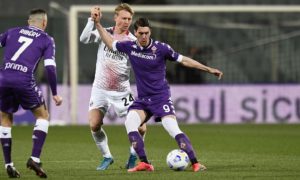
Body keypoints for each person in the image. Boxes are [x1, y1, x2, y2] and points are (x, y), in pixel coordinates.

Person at [93, 7, 223, 172]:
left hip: (161, 98)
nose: (145, 36)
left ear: (150, 32)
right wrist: (97, 24)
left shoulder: (162, 48)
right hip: (143, 100)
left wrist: (208, 69)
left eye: (147, 33)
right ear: (136, 33)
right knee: (130, 123)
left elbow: (184, 60)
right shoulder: (129, 47)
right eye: (141, 33)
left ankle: (196, 163)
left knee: (173, 129)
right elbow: (110, 43)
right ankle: (144, 163)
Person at [79, 4, 146, 170]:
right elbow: (84, 39)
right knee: (94, 125)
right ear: (115, 18)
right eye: (123, 18)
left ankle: (133, 154)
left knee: (141, 127)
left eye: (129, 19)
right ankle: (107, 157)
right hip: (100, 89)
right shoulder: (105, 32)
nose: (126, 22)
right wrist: (92, 20)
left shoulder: (133, 41)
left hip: (121, 91)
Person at [0, 8, 62, 178]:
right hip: (24, 80)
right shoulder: (46, 39)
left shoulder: (12, 32)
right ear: (44, 23)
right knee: (43, 116)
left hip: (3, 78)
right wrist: (55, 92)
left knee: (5, 118)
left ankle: (9, 165)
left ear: (29, 21)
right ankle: (34, 158)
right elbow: (50, 67)